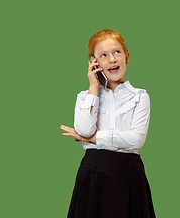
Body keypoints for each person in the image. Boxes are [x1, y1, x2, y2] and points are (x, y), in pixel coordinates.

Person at [60, 29, 155, 218]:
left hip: (128, 175)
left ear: (127, 57)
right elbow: (84, 129)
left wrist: (93, 138)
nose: (112, 59)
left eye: (117, 52)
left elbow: (136, 139)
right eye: (103, 55)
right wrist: (93, 88)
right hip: (93, 175)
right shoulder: (84, 97)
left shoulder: (139, 97)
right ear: (94, 63)